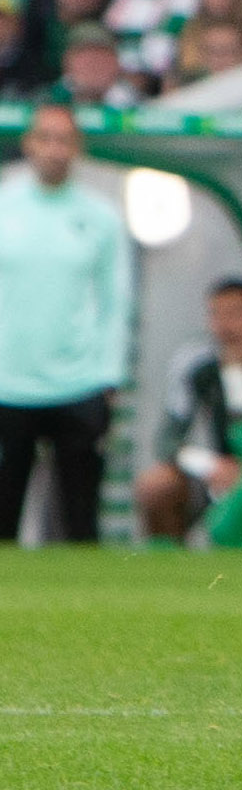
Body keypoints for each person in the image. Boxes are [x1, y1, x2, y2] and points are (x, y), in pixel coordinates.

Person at [0, 104, 132, 544]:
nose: (55, 150)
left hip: (79, 383)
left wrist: (109, 373)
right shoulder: (5, 205)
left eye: (65, 140)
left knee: (80, 524)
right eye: (47, 139)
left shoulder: (102, 217)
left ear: (77, 148)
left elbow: (116, 300)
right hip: (8, 383)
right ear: (29, 144)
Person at [134, 279, 242, 542]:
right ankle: (170, 569)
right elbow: (168, 439)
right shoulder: (193, 360)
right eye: (217, 315)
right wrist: (210, 466)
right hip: (214, 472)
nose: (225, 326)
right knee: (156, 486)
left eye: (234, 314)